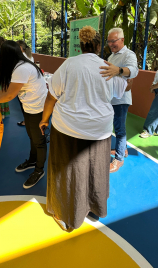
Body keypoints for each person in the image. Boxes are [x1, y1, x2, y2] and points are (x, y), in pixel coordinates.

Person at [39, 26, 128, 231]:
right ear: (98, 46)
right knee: (95, 169)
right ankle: (94, 207)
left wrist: (44, 119)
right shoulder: (108, 67)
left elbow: (52, 95)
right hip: (100, 129)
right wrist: (122, 71)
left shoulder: (69, 64)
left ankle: (64, 213)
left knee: (66, 170)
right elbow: (124, 88)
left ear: (81, 46)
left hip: (68, 128)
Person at [0, 40, 48, 189]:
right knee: (31, 135)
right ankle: (32, 160)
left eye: (0, 53)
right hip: (30, 106)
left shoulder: (22, 68)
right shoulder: (19, 65)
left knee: (39, 140)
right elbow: (7, 90)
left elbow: (9, 95)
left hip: (38, 108)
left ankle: (39, 170)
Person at [99, 28, 139, 173]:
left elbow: (134, 71)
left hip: (121, 99)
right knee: (117, 127)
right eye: (109, 41)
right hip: (111, 98)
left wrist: (119, 70)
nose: (111, 44)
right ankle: (123, 150)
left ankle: (119, 159)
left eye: (113, 41)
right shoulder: (111, 57)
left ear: (122, 39)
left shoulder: (129, 54)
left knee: (119, 129)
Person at [16, 40, 34, 126]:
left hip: (24, 83)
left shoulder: (20, 57)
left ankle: (26, 121)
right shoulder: (29, 55)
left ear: (19, 48)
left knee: (24, 104)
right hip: (29, 83)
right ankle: (29, 121)